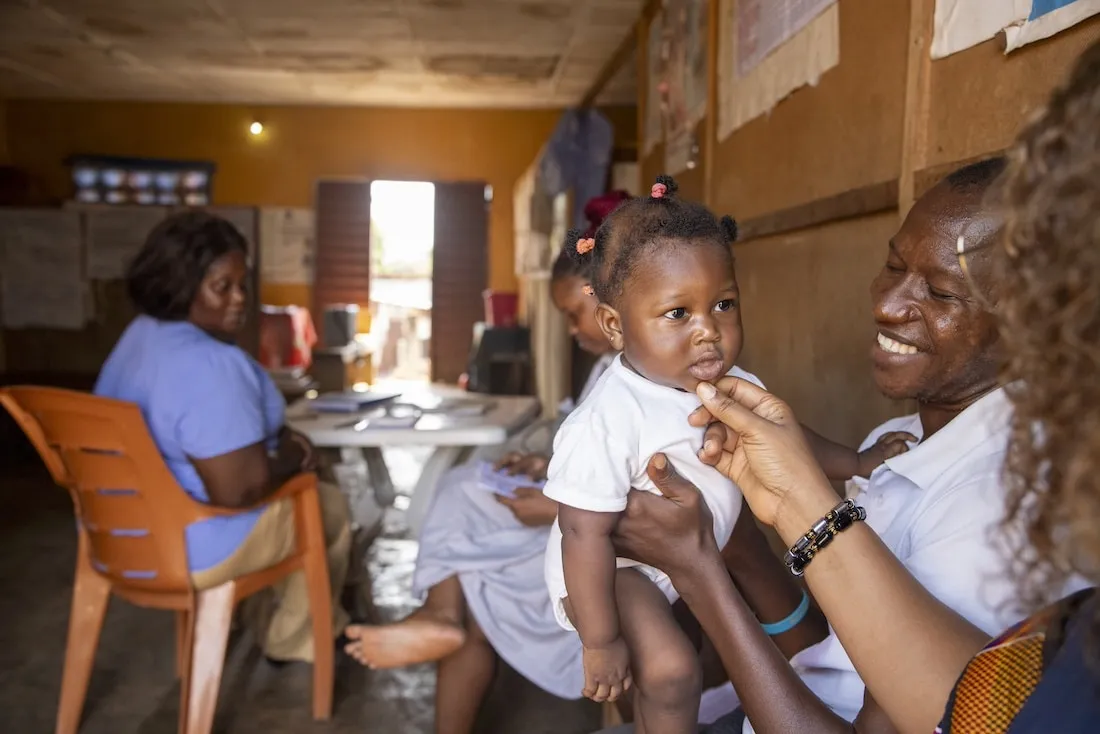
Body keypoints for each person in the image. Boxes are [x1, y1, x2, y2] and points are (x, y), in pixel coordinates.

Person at [605, 42, 1100, 734]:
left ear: (1036, 323)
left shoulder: (993, 513)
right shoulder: (896, 444)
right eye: (893, 266)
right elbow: (838, 653)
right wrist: (743, 544)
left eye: (940, 293)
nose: (888, 305)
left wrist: (701, 575)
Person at [544, 176, 910, 733]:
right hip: (613, 567)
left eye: (723, 304)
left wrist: (855, 464)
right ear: (615, 325)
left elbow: (787, 439)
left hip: (683, 555)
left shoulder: (730, 380)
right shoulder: (606, 420)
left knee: (673, 665)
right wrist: (601, 642)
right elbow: (581, 533)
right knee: (669, 671)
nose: (708, 332)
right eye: (678, 314)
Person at [342, 243, 616, 734]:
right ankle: (440, 613)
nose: (573, 332)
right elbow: (597, 459)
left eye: (576, 315)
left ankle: (441, 613)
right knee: (462, 484)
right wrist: (544, 464)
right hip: (573, 515)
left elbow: (640, 485)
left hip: (592, 537)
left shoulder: (647, 378)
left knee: (469, 562)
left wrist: (553, 506)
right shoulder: (607, 370)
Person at [95, 211, 351, 664]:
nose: (240, 299)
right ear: (179, 285)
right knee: (325, 506)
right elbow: (240, 491)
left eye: (242, 284)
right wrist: (294, 454)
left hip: (116, 540)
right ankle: (293, 639)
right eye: (222, 287)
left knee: (291, 505)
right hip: (190, 547)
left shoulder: (140, 337)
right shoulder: (209, 364)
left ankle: (265, 616)